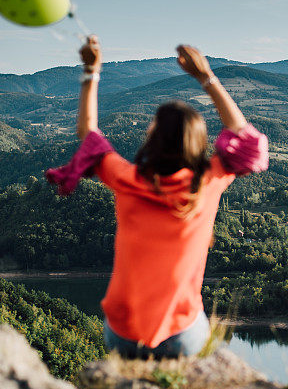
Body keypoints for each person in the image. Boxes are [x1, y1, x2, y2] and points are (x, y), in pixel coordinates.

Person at [46, 35, 268, 358]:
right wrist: (207, 77)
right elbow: (247, 141)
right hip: (182, 334)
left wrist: (91, 71)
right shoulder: (207, 183)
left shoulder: (126, 180)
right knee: (199, 332)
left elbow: (88, 132)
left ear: (152, 140)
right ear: (198, 144)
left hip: (123, 334)